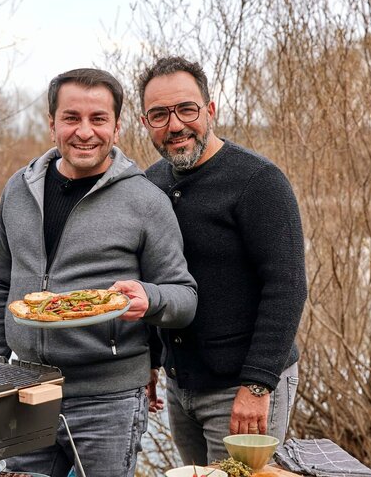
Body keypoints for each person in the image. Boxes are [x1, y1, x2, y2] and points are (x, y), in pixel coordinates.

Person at [0, 67, 198, 477]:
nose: (85, 132)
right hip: (26, 390)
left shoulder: (146, 201)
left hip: (108, 400)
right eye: (71, 118)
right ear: (52, 125)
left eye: (98, 119)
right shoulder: (18, 189)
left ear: (117, 128)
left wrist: (150, 299)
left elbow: (184, 296)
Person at [138, 56, 308, 465]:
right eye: (159, 114)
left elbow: (287, 286)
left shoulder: (258, 182)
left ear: (210, 110)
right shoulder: (149, 184)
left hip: (243, 390)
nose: (175, 125)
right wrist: (149, 362)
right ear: (145, 123)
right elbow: (149, 281)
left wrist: (257, 386)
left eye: (186, 109)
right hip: (183, 387)